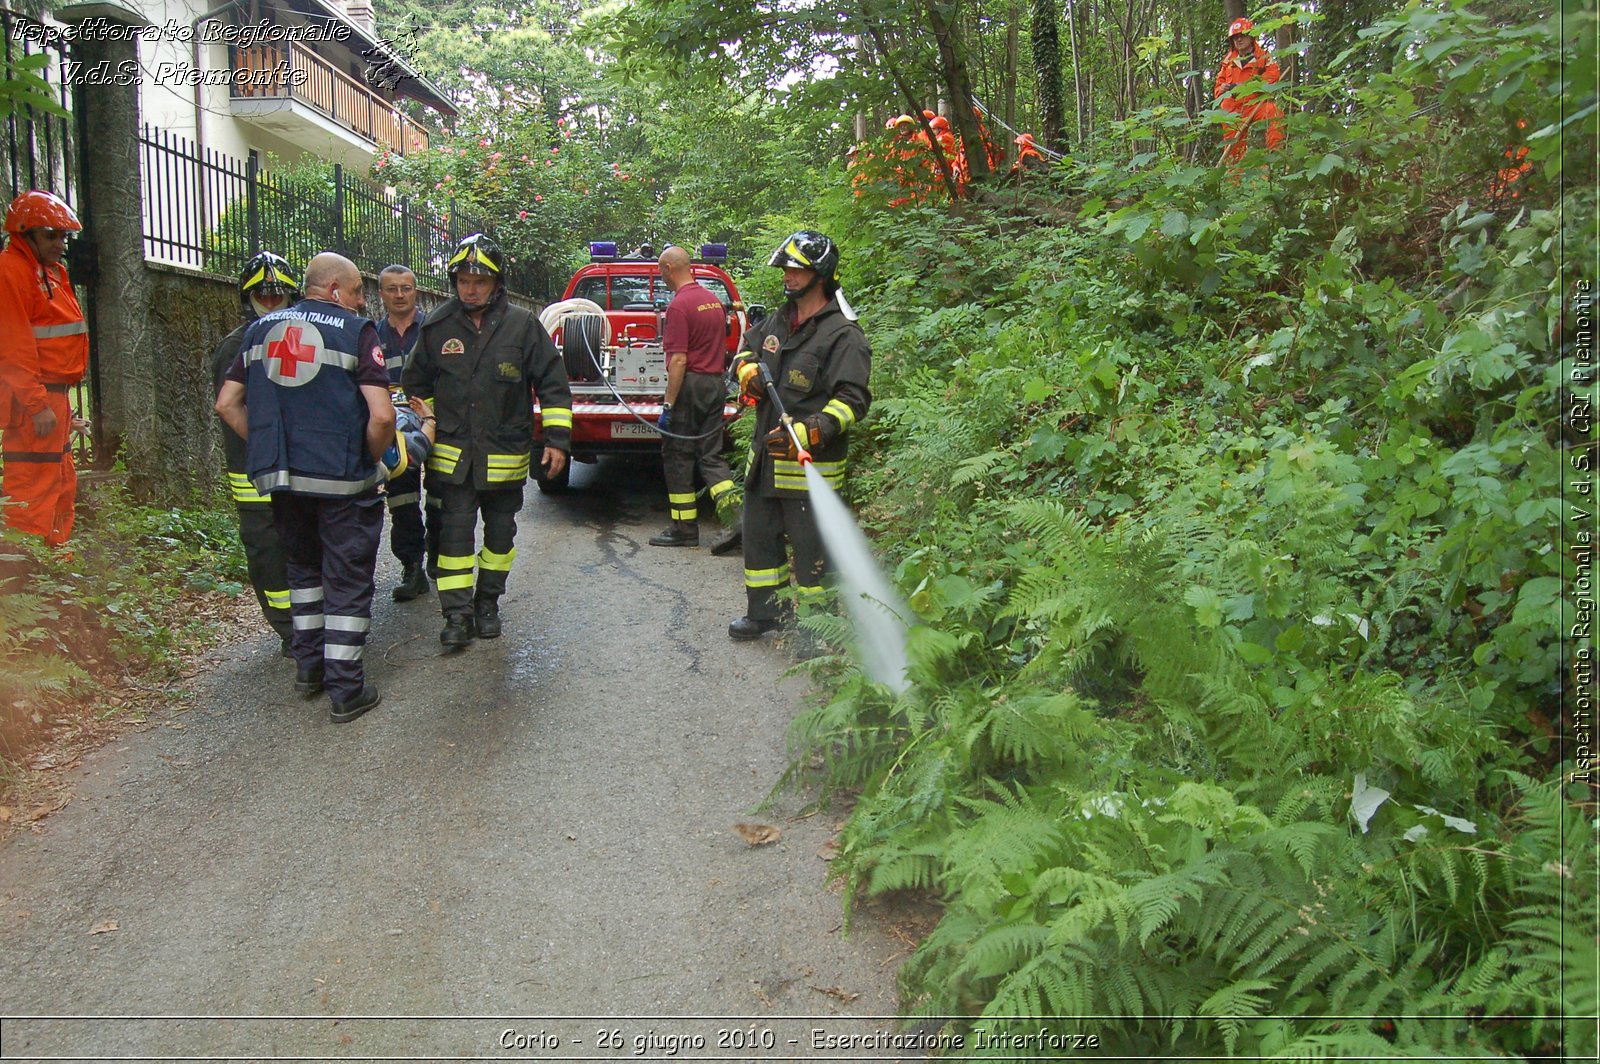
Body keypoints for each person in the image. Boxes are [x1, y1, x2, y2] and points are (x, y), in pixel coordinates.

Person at [214, 252, 396, 724]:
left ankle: (309, 670)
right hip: (341, 481)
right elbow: (382, 415)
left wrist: (268, 445)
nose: (362, 301)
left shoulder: (259, 331)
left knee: (303, 574)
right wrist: (371, 460)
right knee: (347, 580)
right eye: (358, 291)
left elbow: (226, 404)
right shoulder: (357, 332)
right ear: (334, 290)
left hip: (285, 481)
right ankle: (346, 690)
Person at [401, 233, 572, 649]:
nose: (470, 288)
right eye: (463, 280)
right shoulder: (438, 326)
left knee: (500, 538)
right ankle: (456, 616)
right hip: (453, 459)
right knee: (453, 539)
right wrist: (425, 422)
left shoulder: (523, 326)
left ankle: (488, 603)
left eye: (479, 281)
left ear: (497, 283)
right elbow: (414, 386)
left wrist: (557, 441)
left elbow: (553, 386)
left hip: (504, 457)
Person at [726, 231, 871, 641]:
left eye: (796, 269)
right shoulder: (779, 320)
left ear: (819, 274)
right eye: (785, 269)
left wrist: (812, 430)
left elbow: (852, 400)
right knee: (758, 543)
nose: (787, 276)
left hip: (811, 472)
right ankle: (764, 614)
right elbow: (746, 350)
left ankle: (817, 629)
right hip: (765, 463)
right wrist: (747, 372)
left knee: (812, 556)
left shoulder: (843, 335)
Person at [209, 251, 300, 656]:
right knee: (268, 552)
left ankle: (309, 622)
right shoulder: (236, 347)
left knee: (303, 542)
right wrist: (268, 446)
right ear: (247, 298)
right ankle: (289, 631)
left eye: (277, 293)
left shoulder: (302, 339)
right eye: (261, 294)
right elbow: (230, 407)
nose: (270, 300)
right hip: (253, 469)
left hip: (297, 464)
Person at [0, 190, 88, 547]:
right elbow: (13, 345)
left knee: (60, 485)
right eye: (50, 235)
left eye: (63, 236)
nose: (60, 243)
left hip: (52, 399)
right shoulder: (11, 270)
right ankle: (29, 582)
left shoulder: (48, 272)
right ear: (25, 234)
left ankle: (53, 573)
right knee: (33, 491)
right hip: (34, 401)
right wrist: (36, 405)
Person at [649, 245, 738, 548]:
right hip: (715, 384)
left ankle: (684, 529)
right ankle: (736, 518)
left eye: (661, 271)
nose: (661, 277)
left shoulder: (679, 306)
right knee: (710, 454)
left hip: (691, 387)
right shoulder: (713, 302)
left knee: (677, 455)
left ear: (669, 269)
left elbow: (678, 361)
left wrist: (668, 405)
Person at [375, 264, 432, 602]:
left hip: (435, 421)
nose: (399, 295)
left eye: (406, 288)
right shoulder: (370, 334)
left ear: (416, 291)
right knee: (402, 498)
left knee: (444, 497)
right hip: (394, 429)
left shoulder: (434, 330)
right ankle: (413, 567)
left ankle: (442, 557)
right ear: (381, 293)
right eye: (392, 289)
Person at [1213, 17, 1284, 165]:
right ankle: (1235, 180)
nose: (1239, 40)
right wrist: (1223, 88)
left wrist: (1249, 86)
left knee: (1274, 112)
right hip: (1234, 108)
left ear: (1251, 36)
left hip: (1255, 102)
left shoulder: (1263, 57)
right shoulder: (1227, 62)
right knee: (1233, 146)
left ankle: (1276, 162)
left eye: (1242, 35)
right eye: (1235, 37)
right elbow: (1218, 88)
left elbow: (1273, 76)